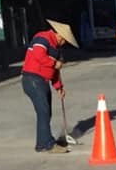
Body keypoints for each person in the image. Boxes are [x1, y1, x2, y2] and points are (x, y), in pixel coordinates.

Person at [22, 19, 79, 153]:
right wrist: (54, 64)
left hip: (43, 80)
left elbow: (55, 73)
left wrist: (59, 87)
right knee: (43, 111)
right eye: (64, 40)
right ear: (59, 35)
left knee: (46, 113)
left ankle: (41, 143)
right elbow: (38, 55)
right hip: (32, 79)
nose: (64, 43)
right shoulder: (43, 38)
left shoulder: (57, 50)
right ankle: (48, 144)